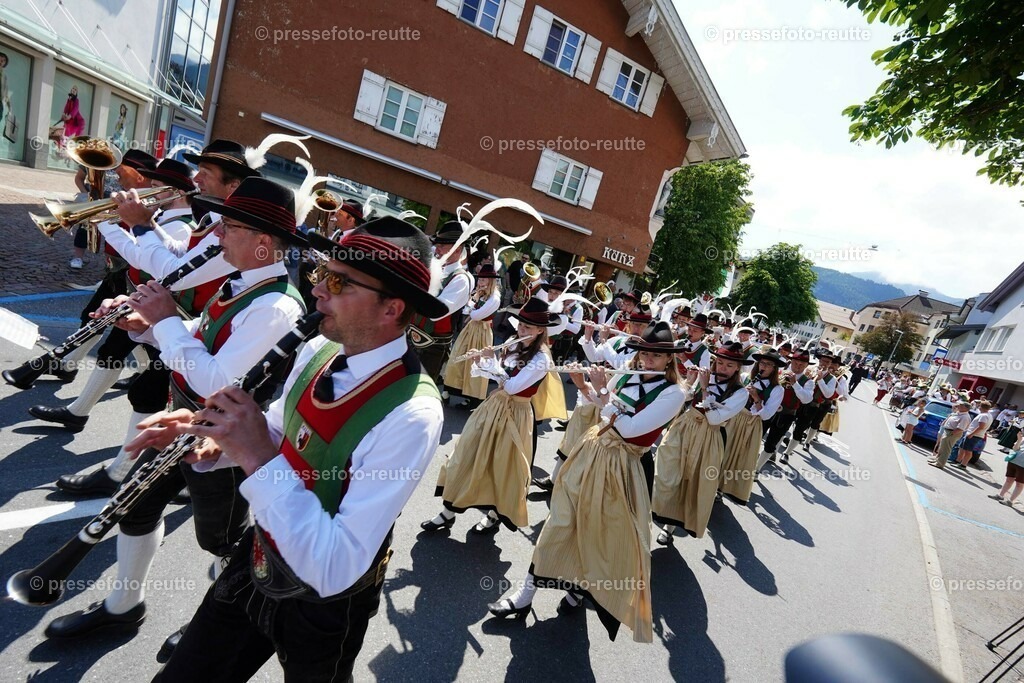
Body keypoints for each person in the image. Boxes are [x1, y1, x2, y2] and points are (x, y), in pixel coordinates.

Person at [129, 216, 446, 681]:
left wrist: (254, 454)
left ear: (391, 309)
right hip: (260, 552)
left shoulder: (413, 415)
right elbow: (282, 431)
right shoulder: (316, 348)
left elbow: (334, 565)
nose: (317, 289)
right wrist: (216, 435)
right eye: (320, 272)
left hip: (326, 604)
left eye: (337, 281)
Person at [43, 178, 307, 649]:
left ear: (264, 244)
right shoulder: (241, 281)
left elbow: (219, 382)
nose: (218, 234)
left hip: (222, 442)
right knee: (137, 506)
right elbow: (203, 335)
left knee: (223, 540)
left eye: (229, 227)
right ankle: (123, 608)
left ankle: (214, 625)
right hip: (178, 424)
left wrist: (165, 321)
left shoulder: (276, 307)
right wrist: (148, 325)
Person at [488, 321, 688, 643]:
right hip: (593, 452)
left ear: (669, 360)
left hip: (625, 465)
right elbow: (602, 407)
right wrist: (584, 387)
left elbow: (630, 429)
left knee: (598, 533)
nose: (647, 360)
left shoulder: (674, 393)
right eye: (644, 353)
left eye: (655, 355)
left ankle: (579, 590)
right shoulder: (628, 372)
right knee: (560, 520)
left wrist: (605, 393)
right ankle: (525, 595)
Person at [422, 296, 555, 534]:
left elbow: (513, 386)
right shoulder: (514, 342)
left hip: (517, 414)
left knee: (504, 467)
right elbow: (496, 378)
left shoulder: (541, 359)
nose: (521, 329)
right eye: (521, 324)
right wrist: (484, 360)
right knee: (467, 453)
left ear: (540, 330)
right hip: (494, 407)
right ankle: (448, 512)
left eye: (527, 327)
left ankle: (494, 514)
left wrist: (490, 363)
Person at [653, 341, 751, 543]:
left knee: (690, 479)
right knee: (666, 467)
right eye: (720, 363)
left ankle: (668, 527)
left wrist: (705, 389)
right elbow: (686, 398)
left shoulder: (741, 393)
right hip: (685, 426)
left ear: (737, 368)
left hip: (709, 435)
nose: (722, 369)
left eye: (729, 366)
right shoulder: (706, 375)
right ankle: (652, 507)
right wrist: (690, 382)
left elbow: (715, 419)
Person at [409, 221, 473, 385]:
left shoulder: (461, 279)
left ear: (457, 249)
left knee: (417, 391)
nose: (436, 249)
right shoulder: (434, 267)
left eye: (442, 246)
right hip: (410, 336)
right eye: (437, 244)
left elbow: (437, 312)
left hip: (431, 347)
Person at [721, 348, 785, 503]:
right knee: (723, 450)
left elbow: (767, 415)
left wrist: (756, 397)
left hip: (751, 423)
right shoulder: (745, 377)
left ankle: (725, 489)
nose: (764, 367)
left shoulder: (777, 389)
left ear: (774, 368)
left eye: (768, 364)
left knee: (738, 457)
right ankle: (713, 485)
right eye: (762, 363)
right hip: (734, 417)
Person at [442, 263, 501, 405]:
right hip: (471, 329)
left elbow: (475, 315)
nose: (480, 281)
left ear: (491, 281)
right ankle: (447, 391)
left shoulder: (495, 298)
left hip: (482, 332)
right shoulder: (481, 294)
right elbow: (465, 311)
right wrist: (473, 301)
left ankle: (473, 398)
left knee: (476, 363)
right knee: (458, 357)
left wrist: (472, 306)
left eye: (483, 279)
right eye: (480, 278)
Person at [759, 348, 815, 467]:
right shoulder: (779, 372)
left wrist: (795, 384)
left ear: (806, 365)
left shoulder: (808, 382)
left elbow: (807, 399)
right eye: (795, 362)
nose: (798, 366)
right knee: (757, 437)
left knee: (771, 443)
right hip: (767, 410)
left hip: (786, 414)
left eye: (802, 364)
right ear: (791, 361)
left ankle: (757, 469)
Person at [927, 402, 970, 469]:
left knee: (946, 449)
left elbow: (961, 428)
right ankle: (937, 460)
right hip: (947, 431)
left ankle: (940, 464)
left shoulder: (965, 417)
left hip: (952, 433)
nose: (958, 406)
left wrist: (951, 434)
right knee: (942, 447)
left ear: (965, 408)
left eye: (960, 405)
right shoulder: (958, 413)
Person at [952, 400, 993, 469]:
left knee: (968, 450)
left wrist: (971, 434)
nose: (979, 407)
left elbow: (981, 427)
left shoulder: (984, 416)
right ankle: (957, 461)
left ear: (981, 407)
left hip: (975, 435)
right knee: (962, 447)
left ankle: (963, 465)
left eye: (979, 405)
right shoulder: (987, 415)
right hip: (972, 434)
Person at [988, 433, 1024, 507]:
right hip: (1013, 461)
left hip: (1022, 465)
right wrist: (1019, 440)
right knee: (1009, 479)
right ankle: (1000, 495)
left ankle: (1010, 501)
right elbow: (1015, 449)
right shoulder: (1023, 438)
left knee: (1019, 484)